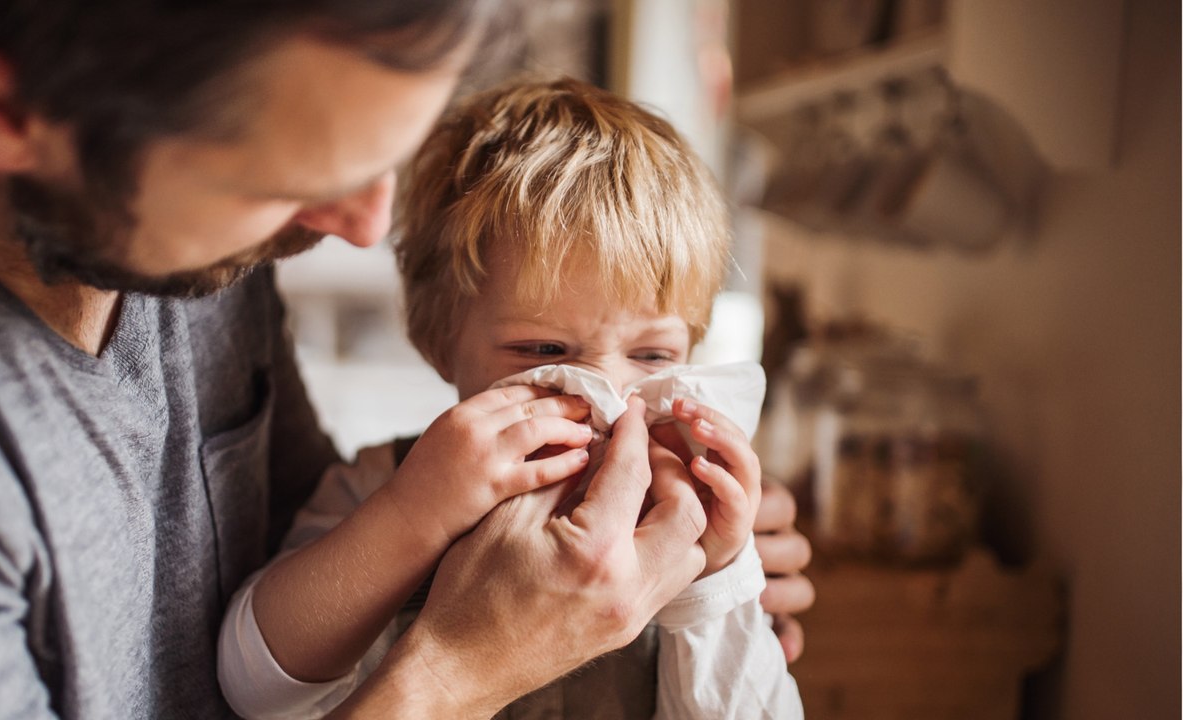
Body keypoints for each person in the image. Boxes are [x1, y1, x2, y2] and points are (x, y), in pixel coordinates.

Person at [0, 2, 813, 718]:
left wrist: (720, 585)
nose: (366, 229)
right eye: (286, 180)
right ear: (3, 116)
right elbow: (264, 659)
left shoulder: (196, 248)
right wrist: (463, 667)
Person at [217, 77, 803, 720]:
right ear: (440, 342)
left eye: (652, 356)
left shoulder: (688, 512)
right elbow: (255, 688)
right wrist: (414, 514)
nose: (610, 398)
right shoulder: (386, 484)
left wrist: (716, 580)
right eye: (545, 353)